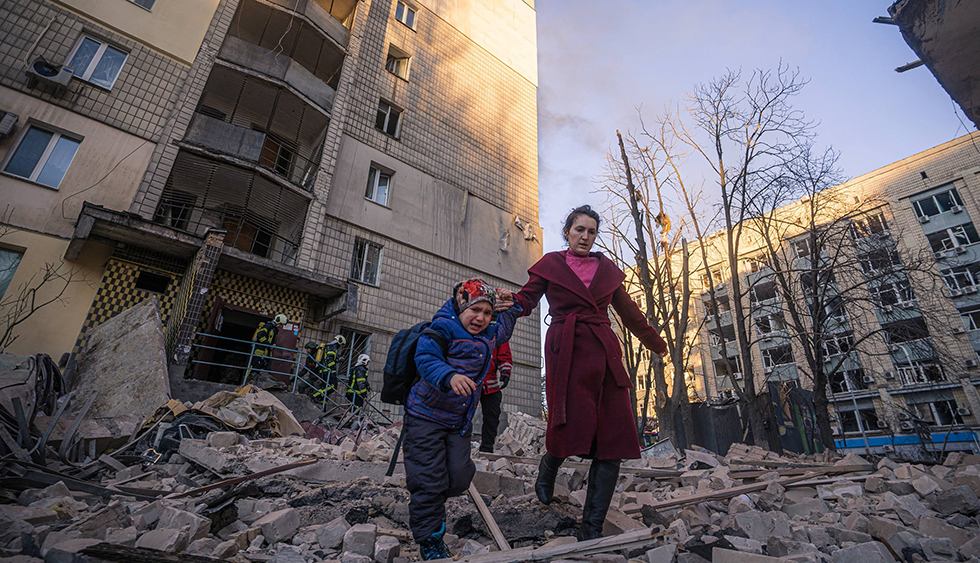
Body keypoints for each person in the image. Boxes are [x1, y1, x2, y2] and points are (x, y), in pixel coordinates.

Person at [497, 205, 668, 541]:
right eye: (579, 230)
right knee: (568, 424)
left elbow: (630, 313)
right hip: (568, 352)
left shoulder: (607, 269)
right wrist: (510, 303)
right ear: (567, 232)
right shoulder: (551, 265)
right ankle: (550, 465)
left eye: (591, 231)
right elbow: (528, 299)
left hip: (605, 355)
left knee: (613, 438)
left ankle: (590, 528)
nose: (585, 237)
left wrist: (657, 344)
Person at [403, 278, 522, 560]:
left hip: (458, 422)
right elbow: (426, 358)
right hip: (425, 418)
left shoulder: (489, 333)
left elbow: (504, 327)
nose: (481, 318)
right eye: (475, 310)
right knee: (428, 481)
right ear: (460, 306)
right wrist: (449, 376)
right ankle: (430, 541)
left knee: (458, 478)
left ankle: (432, 501)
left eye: (487, 312)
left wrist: (512, 304)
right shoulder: (443, 327)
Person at [478, 341, 512, 453]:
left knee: (492, 416)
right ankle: (459, 449)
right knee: (462, 416)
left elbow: (504, 354)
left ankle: (486, 449)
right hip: (468, 381)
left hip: (490, 383)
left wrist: (505, 371)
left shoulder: (497, 331)